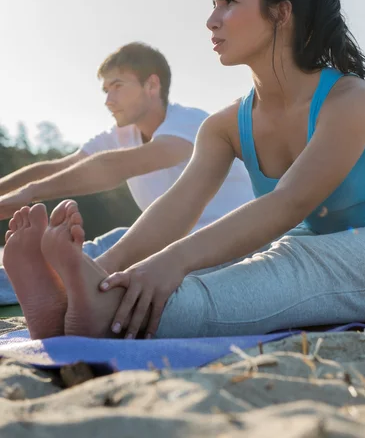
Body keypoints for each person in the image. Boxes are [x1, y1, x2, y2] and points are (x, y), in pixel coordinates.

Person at [5, 0, 365, 342]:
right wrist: (101, 270)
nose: (211, 21)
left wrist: (171, 262)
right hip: (319, 238)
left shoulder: (350, 99)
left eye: (229, 3)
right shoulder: (225, 125)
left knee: (291, 262)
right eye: (214, 5)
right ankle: (85, 304)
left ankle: (115, 316)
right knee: (215, 262)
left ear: (281, 12)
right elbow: (176, 210)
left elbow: (288, 203)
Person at [0, 42, 254, 304]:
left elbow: (117, 167)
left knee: (104, 265)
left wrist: (29, 194)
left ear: (152, 85)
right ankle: (48, 289)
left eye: (118, 86)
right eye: (106, 90)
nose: (108, 100)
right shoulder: (123, 133)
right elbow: (61, 167)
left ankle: (74, 296)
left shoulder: (189, 123)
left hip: (226, 245)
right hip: (162, 240)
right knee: (81, 252)